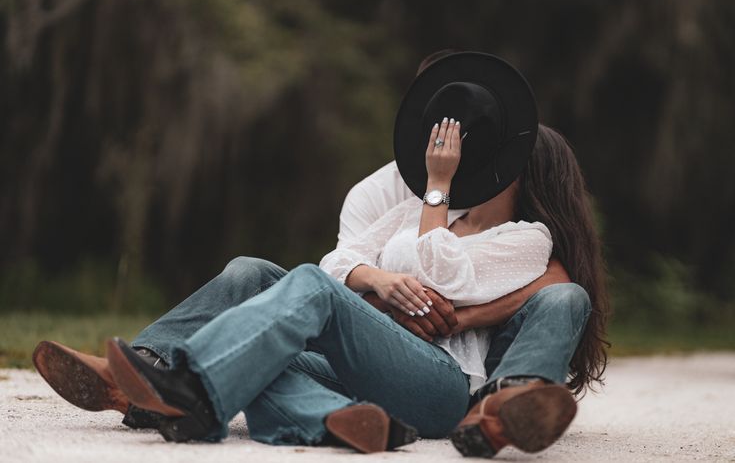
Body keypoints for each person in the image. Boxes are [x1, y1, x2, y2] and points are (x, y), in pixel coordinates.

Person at [32, 52, 608, 458]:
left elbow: (455, 273)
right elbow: (338, 261)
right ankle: (329, 421)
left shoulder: (525, 238)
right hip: (368, 364)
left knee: (305, 287)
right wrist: (377, 279)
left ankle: (189, 390)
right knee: (262, 321)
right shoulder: (403, 209)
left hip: (441, 380)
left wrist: (438, 187)